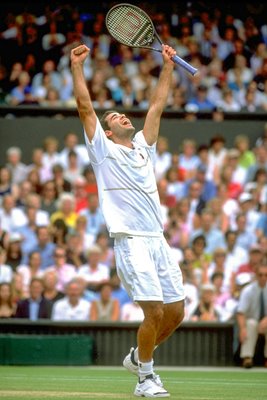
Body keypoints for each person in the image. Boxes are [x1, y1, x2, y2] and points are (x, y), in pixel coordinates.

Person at [71, 43, 184, 398]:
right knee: (153, 310)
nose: (121, 116)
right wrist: (77, 68)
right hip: (131, 241)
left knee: (176, 313)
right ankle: (145, 379)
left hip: (158, 240)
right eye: (113, 118)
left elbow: (157, 106)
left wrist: (167, 65)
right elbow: (85, 107)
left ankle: (138, 356)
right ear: (106, 133)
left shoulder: (142, 147)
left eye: (121, 115)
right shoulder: (102, 152)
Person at [236, 264, 267, 368]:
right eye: (260, 275)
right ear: (256, 275)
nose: (263, 277)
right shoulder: (248, 290)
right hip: (252, 321)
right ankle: (247, 357)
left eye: (266, 275)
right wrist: (242, 329)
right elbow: (241, 312)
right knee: (250, 323)